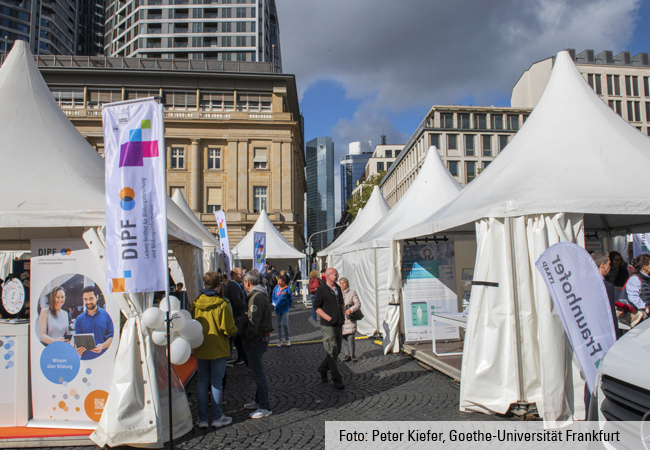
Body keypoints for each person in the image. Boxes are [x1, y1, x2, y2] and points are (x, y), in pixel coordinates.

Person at [190, 271, 238, 429]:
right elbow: (229, 329)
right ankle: (217, 417)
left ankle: (202, 419)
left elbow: (190, 325)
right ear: (219, 285)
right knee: (216, 383)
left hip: (201, 347)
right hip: (218, 348)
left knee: (202, 382)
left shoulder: (196, 303)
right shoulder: (223, 304)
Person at [240, 269, 274, 419]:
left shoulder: (256, 297)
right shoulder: (260, 295)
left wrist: (247, 338)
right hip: (260, 336)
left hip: (256, 338)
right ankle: (259, 400)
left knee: (258, 373)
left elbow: (253, 322)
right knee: (257, 372)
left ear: (247, 282)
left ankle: (265, 406)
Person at [313, 267, 345, 389]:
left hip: (338, 324)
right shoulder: (321, 289)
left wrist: (343, 317)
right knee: (332, 351)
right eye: (336, 275)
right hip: (328, 325)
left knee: (336, 351)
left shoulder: (337, 288)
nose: (338, 276)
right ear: (329, 276)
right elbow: (316, 307)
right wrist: (328, 318)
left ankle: (322, 368)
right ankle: (337, 378)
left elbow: (341, 303)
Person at [74, 286, 114, 360]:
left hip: (104, 358)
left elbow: (112, 337)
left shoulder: (107, 315)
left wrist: (102, 346)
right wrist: (77, 350)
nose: (88, 302)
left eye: (91, 298)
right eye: (85, 299)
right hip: (86, 360)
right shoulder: (79, 319)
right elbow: (77, 341)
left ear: (97, 297)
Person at [591, 251, 620, 340]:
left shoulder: (579, 284)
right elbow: (611, 314)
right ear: (603, 265)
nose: (610, 267)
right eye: (609, 264)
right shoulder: (606, 287)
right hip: (603, 333)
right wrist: (616, 335)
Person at [224, 268, 247, 365]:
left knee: (238, 340)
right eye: (240, 274)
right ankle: (225, 359)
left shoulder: (235, 285)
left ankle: (243, 358)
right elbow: (237, 301)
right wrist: (247, 308)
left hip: (236, 316)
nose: (242, 276)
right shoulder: (233, 286)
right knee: (232, 340)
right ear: (234, 275)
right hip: (235, 317)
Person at [339, 277, 361, 361]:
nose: (342, 285)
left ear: (347, 284)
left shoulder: (352, 293)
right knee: (344, 337)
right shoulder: (338, 293)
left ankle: (352, 355)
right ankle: (347, 354)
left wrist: (351, 309)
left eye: (344, 283)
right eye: (341, 283)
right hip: (341, 318)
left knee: (351, 337)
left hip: (350, 318)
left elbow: (358, 304)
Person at [272, 274, 293, 346]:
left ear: (284, 281)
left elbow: (291, 298)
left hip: (285, 309)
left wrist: (288, 306)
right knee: (278, 325)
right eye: (278, 281)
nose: (279, 283)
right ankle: (280, 340)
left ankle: (287, 339)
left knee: (285, 324)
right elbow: (273, 297)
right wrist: (274, 303)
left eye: (280, 281)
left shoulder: (287, 289)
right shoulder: (275, 288)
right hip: (277, 309)